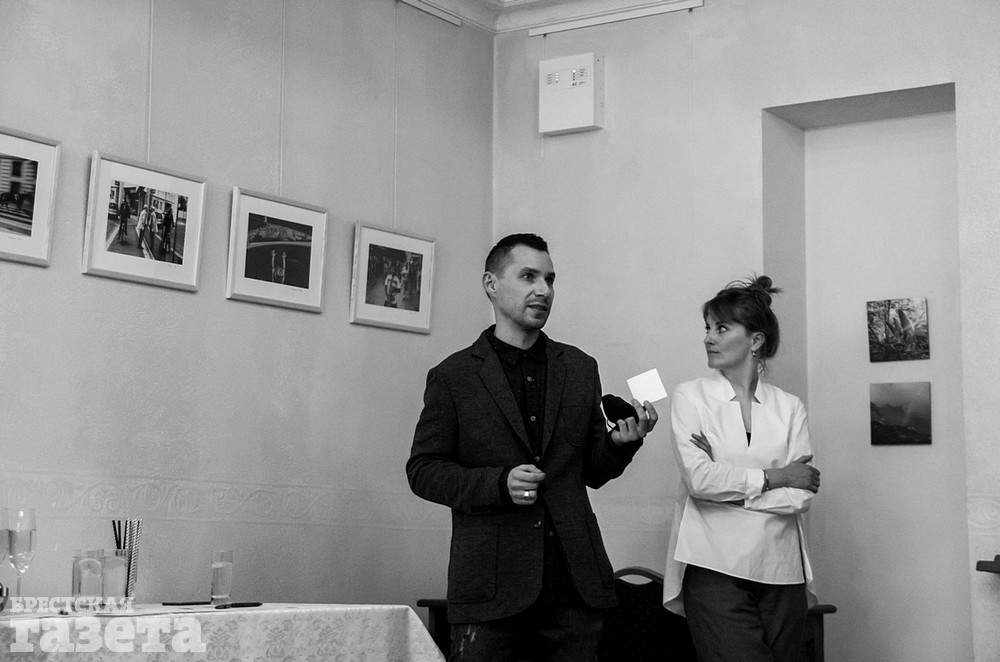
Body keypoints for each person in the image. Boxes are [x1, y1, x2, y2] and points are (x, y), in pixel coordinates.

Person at [407, 233, 658, 662]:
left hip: (575, 589)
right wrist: (498, 484)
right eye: (528, 276)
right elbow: (423, 471)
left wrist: (621, 444)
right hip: (491, 592)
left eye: (549, 279)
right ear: (491, 284)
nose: (544, 290)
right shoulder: (453, 376)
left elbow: (592, 472)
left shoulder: (579, 367)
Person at [662, 275, 821, 662]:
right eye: (707, 328)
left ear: (755, 340)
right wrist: (776, 477)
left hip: (782, 568)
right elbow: (700, 481)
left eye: (721, 328)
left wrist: (729, 491)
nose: (708, 338)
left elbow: (800, 496)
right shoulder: (691, 396)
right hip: (713, 565)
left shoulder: (789, 407)